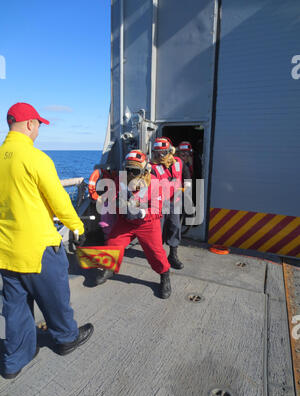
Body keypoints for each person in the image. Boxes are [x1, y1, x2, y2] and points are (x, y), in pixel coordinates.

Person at [0, 103, 94, 380]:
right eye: (39, 124)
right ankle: (65, 339)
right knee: (56, 299)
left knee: (15, 310)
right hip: (39, 249)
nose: (39, 129)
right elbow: (60, 200)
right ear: (29, 124)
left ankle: (14, 361)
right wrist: (77, 227)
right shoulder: (35, 158)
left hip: (7, 251)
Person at [93, 150, 172, 299]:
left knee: (156, 253)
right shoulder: (119, 180)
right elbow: (113, 197)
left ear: (144, 170)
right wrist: (119, 205)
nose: (129, 174)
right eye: (126, 170)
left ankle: (165, 275)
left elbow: (158, 209)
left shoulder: (154, 183)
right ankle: (109, 268)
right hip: (126, 221)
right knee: (112, 243)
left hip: (147, 223)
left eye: (134, 170)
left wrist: (141, 213)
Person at [151, 138, 190, 270]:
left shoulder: (178, 162)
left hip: (176, 202)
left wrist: (187, 187)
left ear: (169, 151)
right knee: (158, 229)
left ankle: (173, 255)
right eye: (157, 153)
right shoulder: (152, 168)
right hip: (160, 204)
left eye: (162, 153)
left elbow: (186, 175)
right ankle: (158, 254)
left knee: (175, 227)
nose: (159, 156)